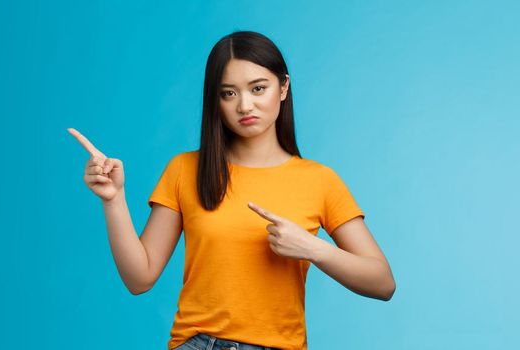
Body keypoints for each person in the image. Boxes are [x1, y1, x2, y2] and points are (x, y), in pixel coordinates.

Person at [68, 30, 395, 350]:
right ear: (216, 100)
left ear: (283, 87)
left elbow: (382, 282)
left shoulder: (320, 181)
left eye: (258, 88)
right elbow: (139, 279)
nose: (244, 105)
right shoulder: (185, 170)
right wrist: (114, 200)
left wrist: (313, 248)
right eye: (229, 93)